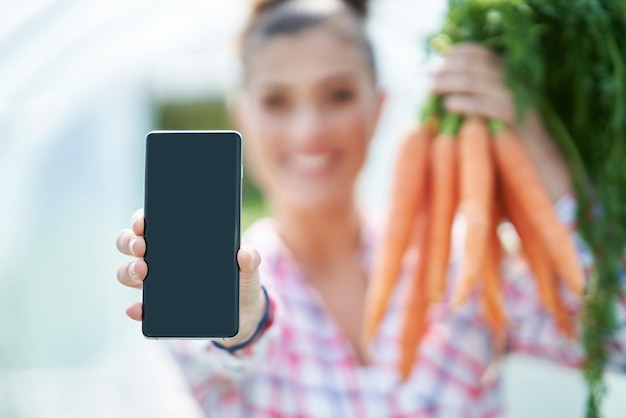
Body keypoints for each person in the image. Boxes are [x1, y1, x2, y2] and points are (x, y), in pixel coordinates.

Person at [115, 0, 626, 416]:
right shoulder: (228, 279)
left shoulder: (462, 267)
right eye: (276, 101)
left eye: (337, 94)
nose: (308, 129)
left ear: (378, 106)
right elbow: (215, 355)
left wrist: (536, 147)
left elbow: (615, 339)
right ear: (241, 116)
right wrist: (239, 324)